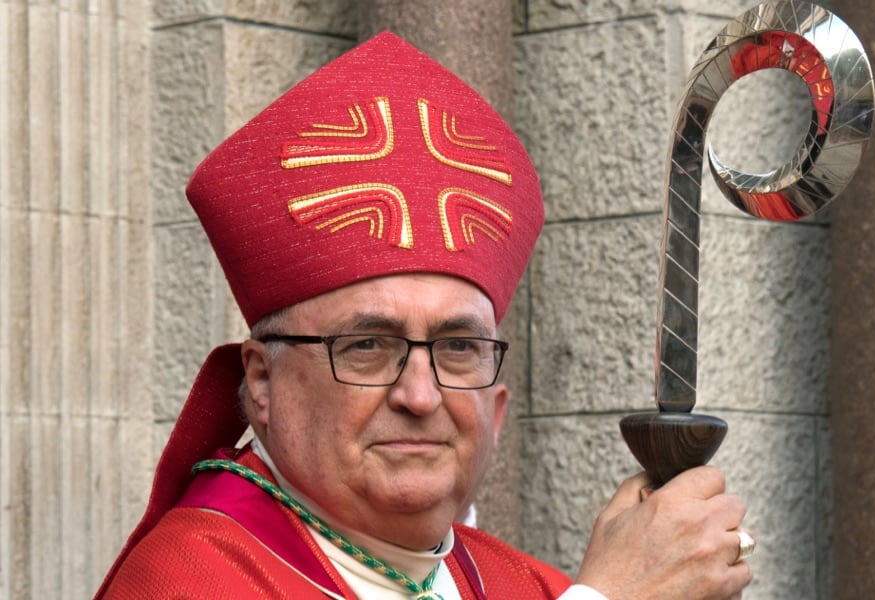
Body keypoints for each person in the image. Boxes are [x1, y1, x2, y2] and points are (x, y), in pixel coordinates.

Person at [95, 32, 754, 599]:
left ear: (497, 408)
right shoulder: (187, 577)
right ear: (263, 383)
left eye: (457, 347)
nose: (420, 395)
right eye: (367, 346)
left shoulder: (523, 585)